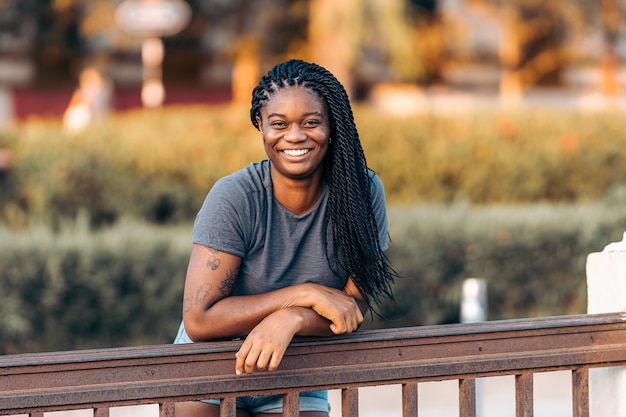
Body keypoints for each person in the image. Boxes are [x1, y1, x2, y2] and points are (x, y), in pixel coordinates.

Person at [174, 59, 396, 417]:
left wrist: (291, 318)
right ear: (260, 126)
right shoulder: (234, 197)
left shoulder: (362, 193)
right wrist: (302, 295)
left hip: (294, 360)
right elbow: (199, 321)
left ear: (333, 125)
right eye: (279, 124)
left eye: (311, 122)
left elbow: (352, 308)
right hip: (209, 361)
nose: (294, 136)